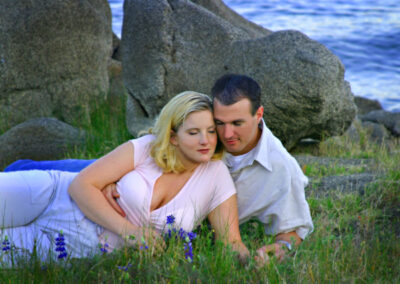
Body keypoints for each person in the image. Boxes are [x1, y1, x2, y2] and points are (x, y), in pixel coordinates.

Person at [5, 74, 314, 263]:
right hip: (90, 183)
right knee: (24, 170)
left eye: (237, 124)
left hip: (103, 226)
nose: (223, 135)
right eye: (217, 124)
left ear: (259, 115)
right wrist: (116, 181)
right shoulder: (165, 142)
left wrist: (275, 251)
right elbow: (84, 183)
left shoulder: (277, 168)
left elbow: (291, 228)